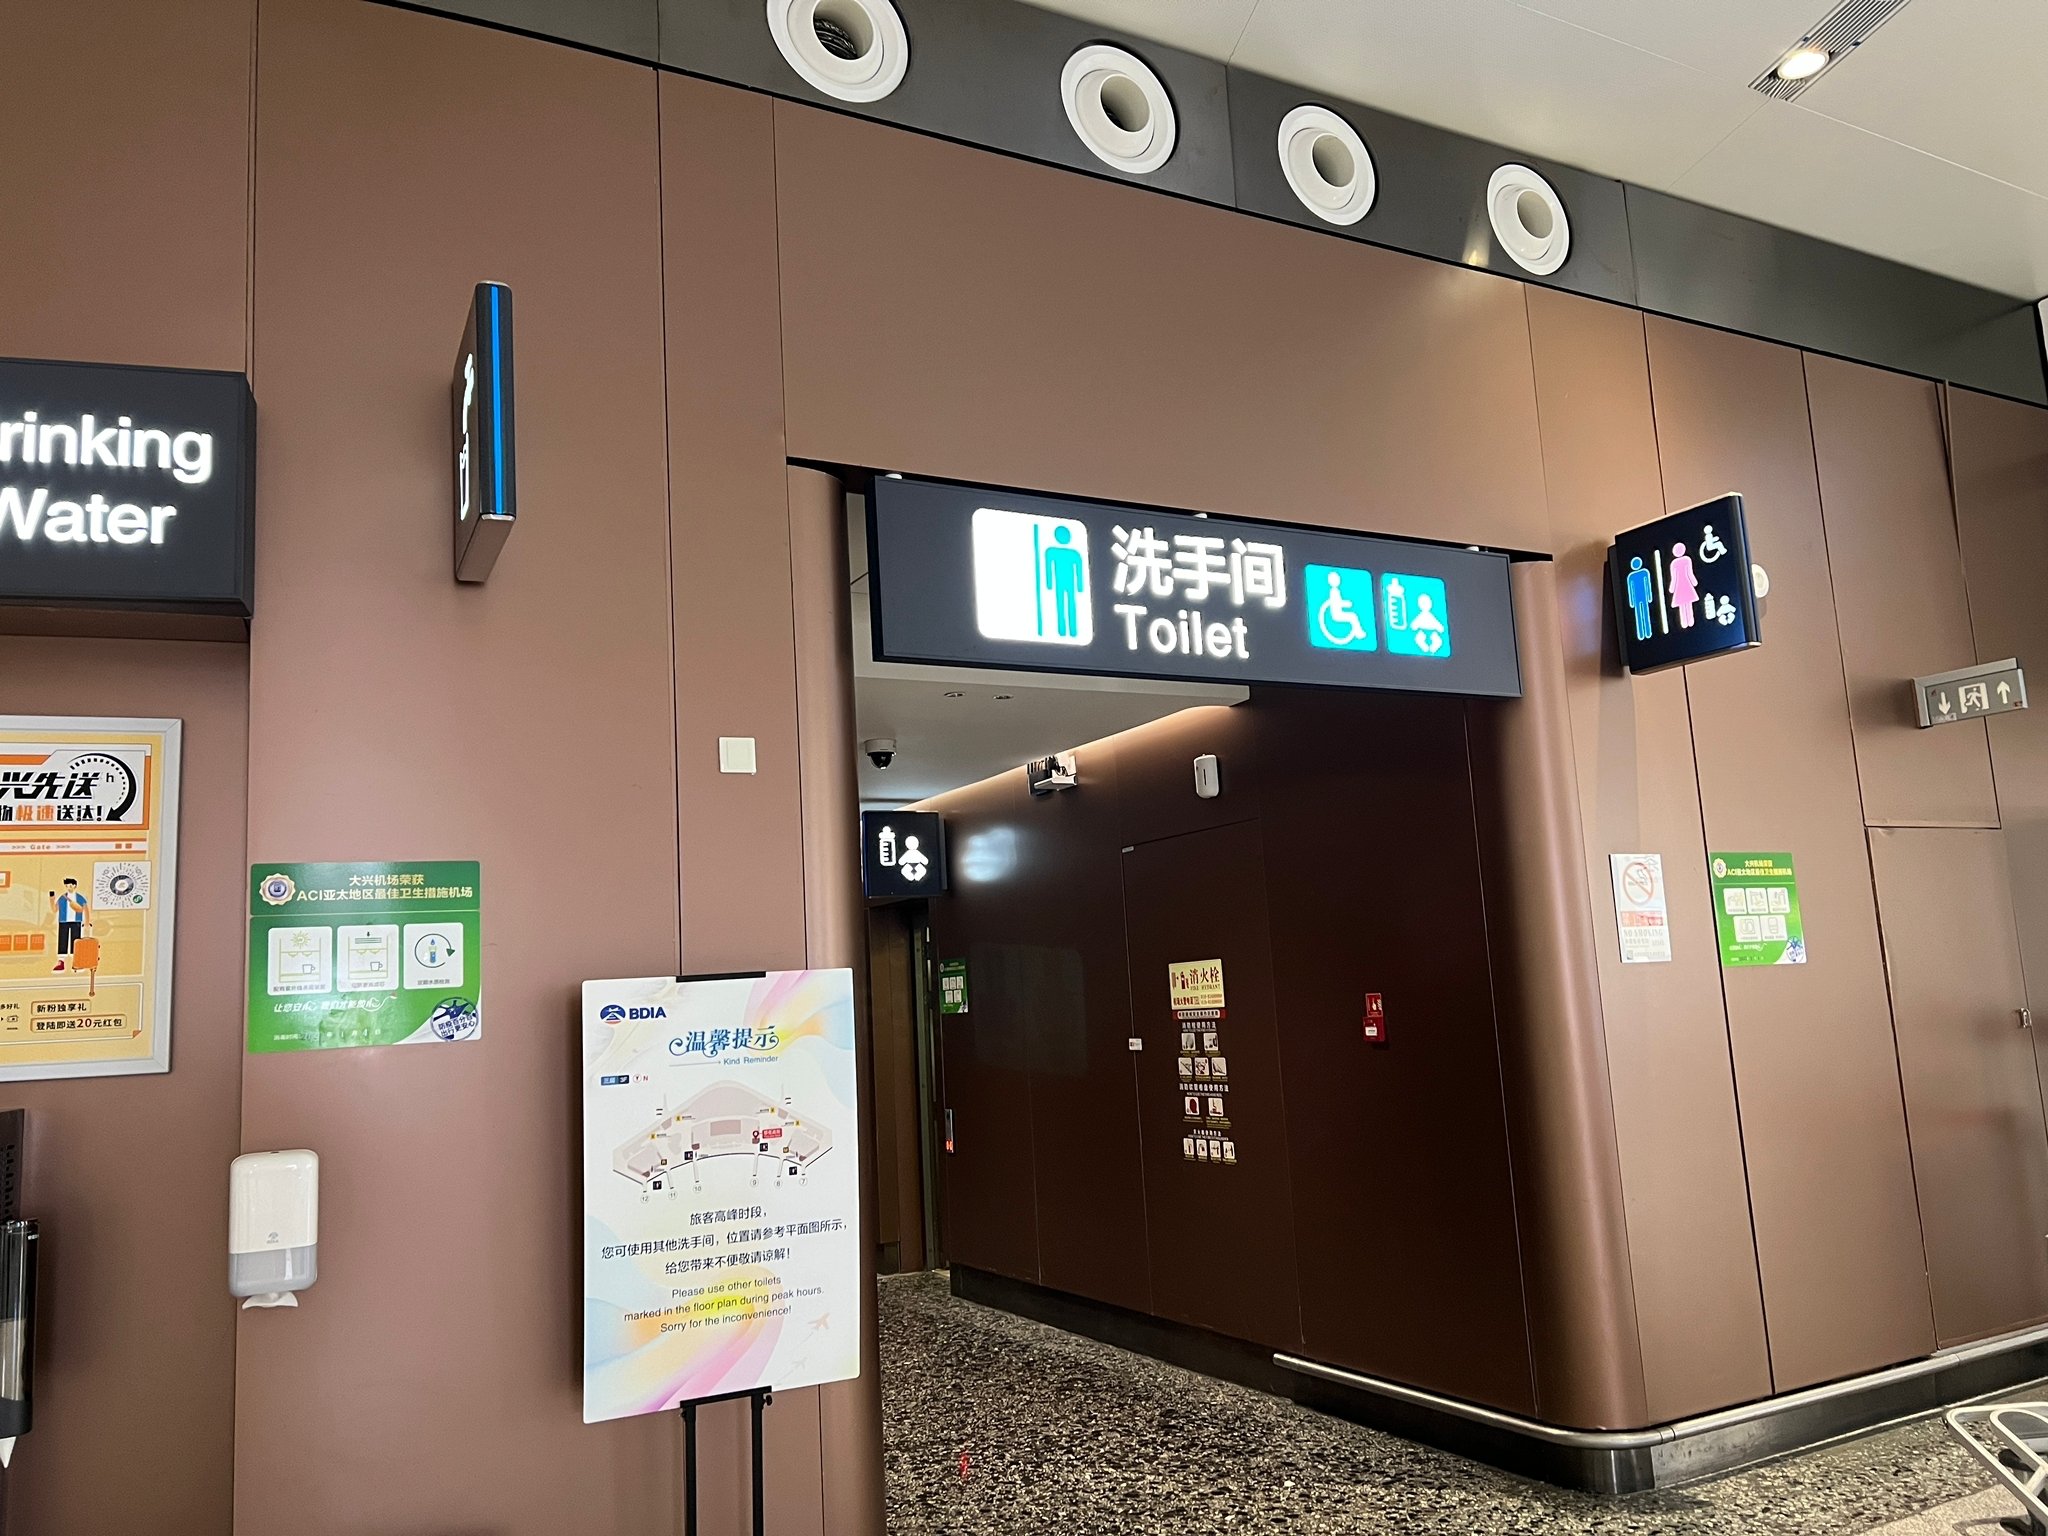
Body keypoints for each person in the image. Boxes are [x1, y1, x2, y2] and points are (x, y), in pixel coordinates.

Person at [1042, 525, 1086, 640]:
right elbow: (1048, 568)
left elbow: (1079, 570)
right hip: (1060, 582)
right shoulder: (1051, 552)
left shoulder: (1074, 553)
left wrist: (1080, 586)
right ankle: (1063, 628)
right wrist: (1049, 583)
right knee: (1062, 604)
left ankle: (1071, 629)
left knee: (1069, 603)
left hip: (1069, 583)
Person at [1316, 570, 1368, 646]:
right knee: (1353, 616)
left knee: (1353, 616)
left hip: (1338, 612)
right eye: (1335, 579)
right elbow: (1336, 603)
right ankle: (1358, 633)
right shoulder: (1334, 592)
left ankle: (1358, 632)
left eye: (1337, 578)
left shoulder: (1336, 591)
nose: (1337, 580)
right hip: (1337, 613)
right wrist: (1347, 604)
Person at [49, 878, 88, 973]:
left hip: (76, 921)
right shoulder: (62, 898)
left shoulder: (79, 897)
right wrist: (52, 899)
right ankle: (61, 961)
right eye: (67, 886)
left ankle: (77, 961)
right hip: (63, 921)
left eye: (70, 885)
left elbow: (85, 909)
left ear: (75, 886)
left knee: (75, 941)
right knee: (62, 940)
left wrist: (87, 922)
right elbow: (55, 910)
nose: (68, 888)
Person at [1668, 542, 1699, 629]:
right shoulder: (1686, 560)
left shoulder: (1675, 563)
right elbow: (1689, 573)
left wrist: (1672, 588)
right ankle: (1688, 621)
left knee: (1683, 604)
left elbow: (1674, 578)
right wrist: (1694, 582)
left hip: (1680, 585)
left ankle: (1686, 622)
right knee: (1686, 603)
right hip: (1685, 584)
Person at [1625, 555, 1654, 641]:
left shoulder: (1643, 573)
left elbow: (1647, 585)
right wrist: (1632, 602)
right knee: (1641, 613)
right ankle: (1644, 633)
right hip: (1640, 598)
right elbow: (1631, 589)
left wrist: (1649, 596)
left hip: (1640, 597)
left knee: (1644, 613)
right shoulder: (1633, 576)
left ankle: (1645, 632)